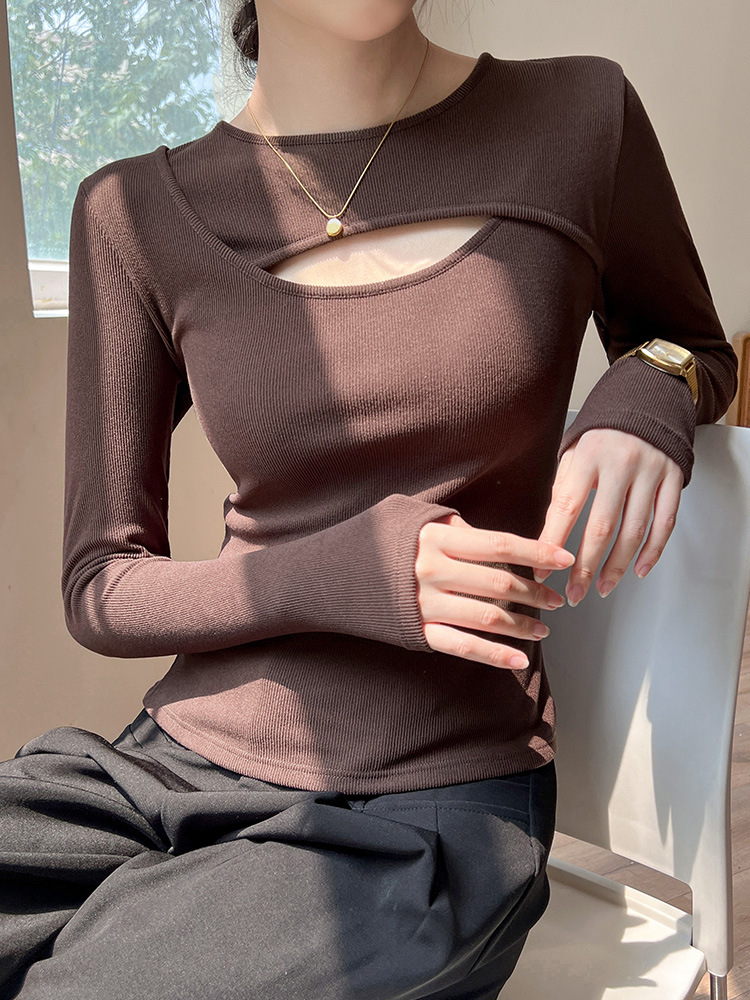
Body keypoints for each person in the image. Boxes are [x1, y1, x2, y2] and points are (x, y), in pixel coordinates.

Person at [0, 1, 738, 997]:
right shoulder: (130, 211)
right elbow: (100, 585)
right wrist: (348, 571)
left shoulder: (579, 115)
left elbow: (694, 346)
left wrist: (643, 395)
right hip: (163, 767)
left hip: (420, 808)